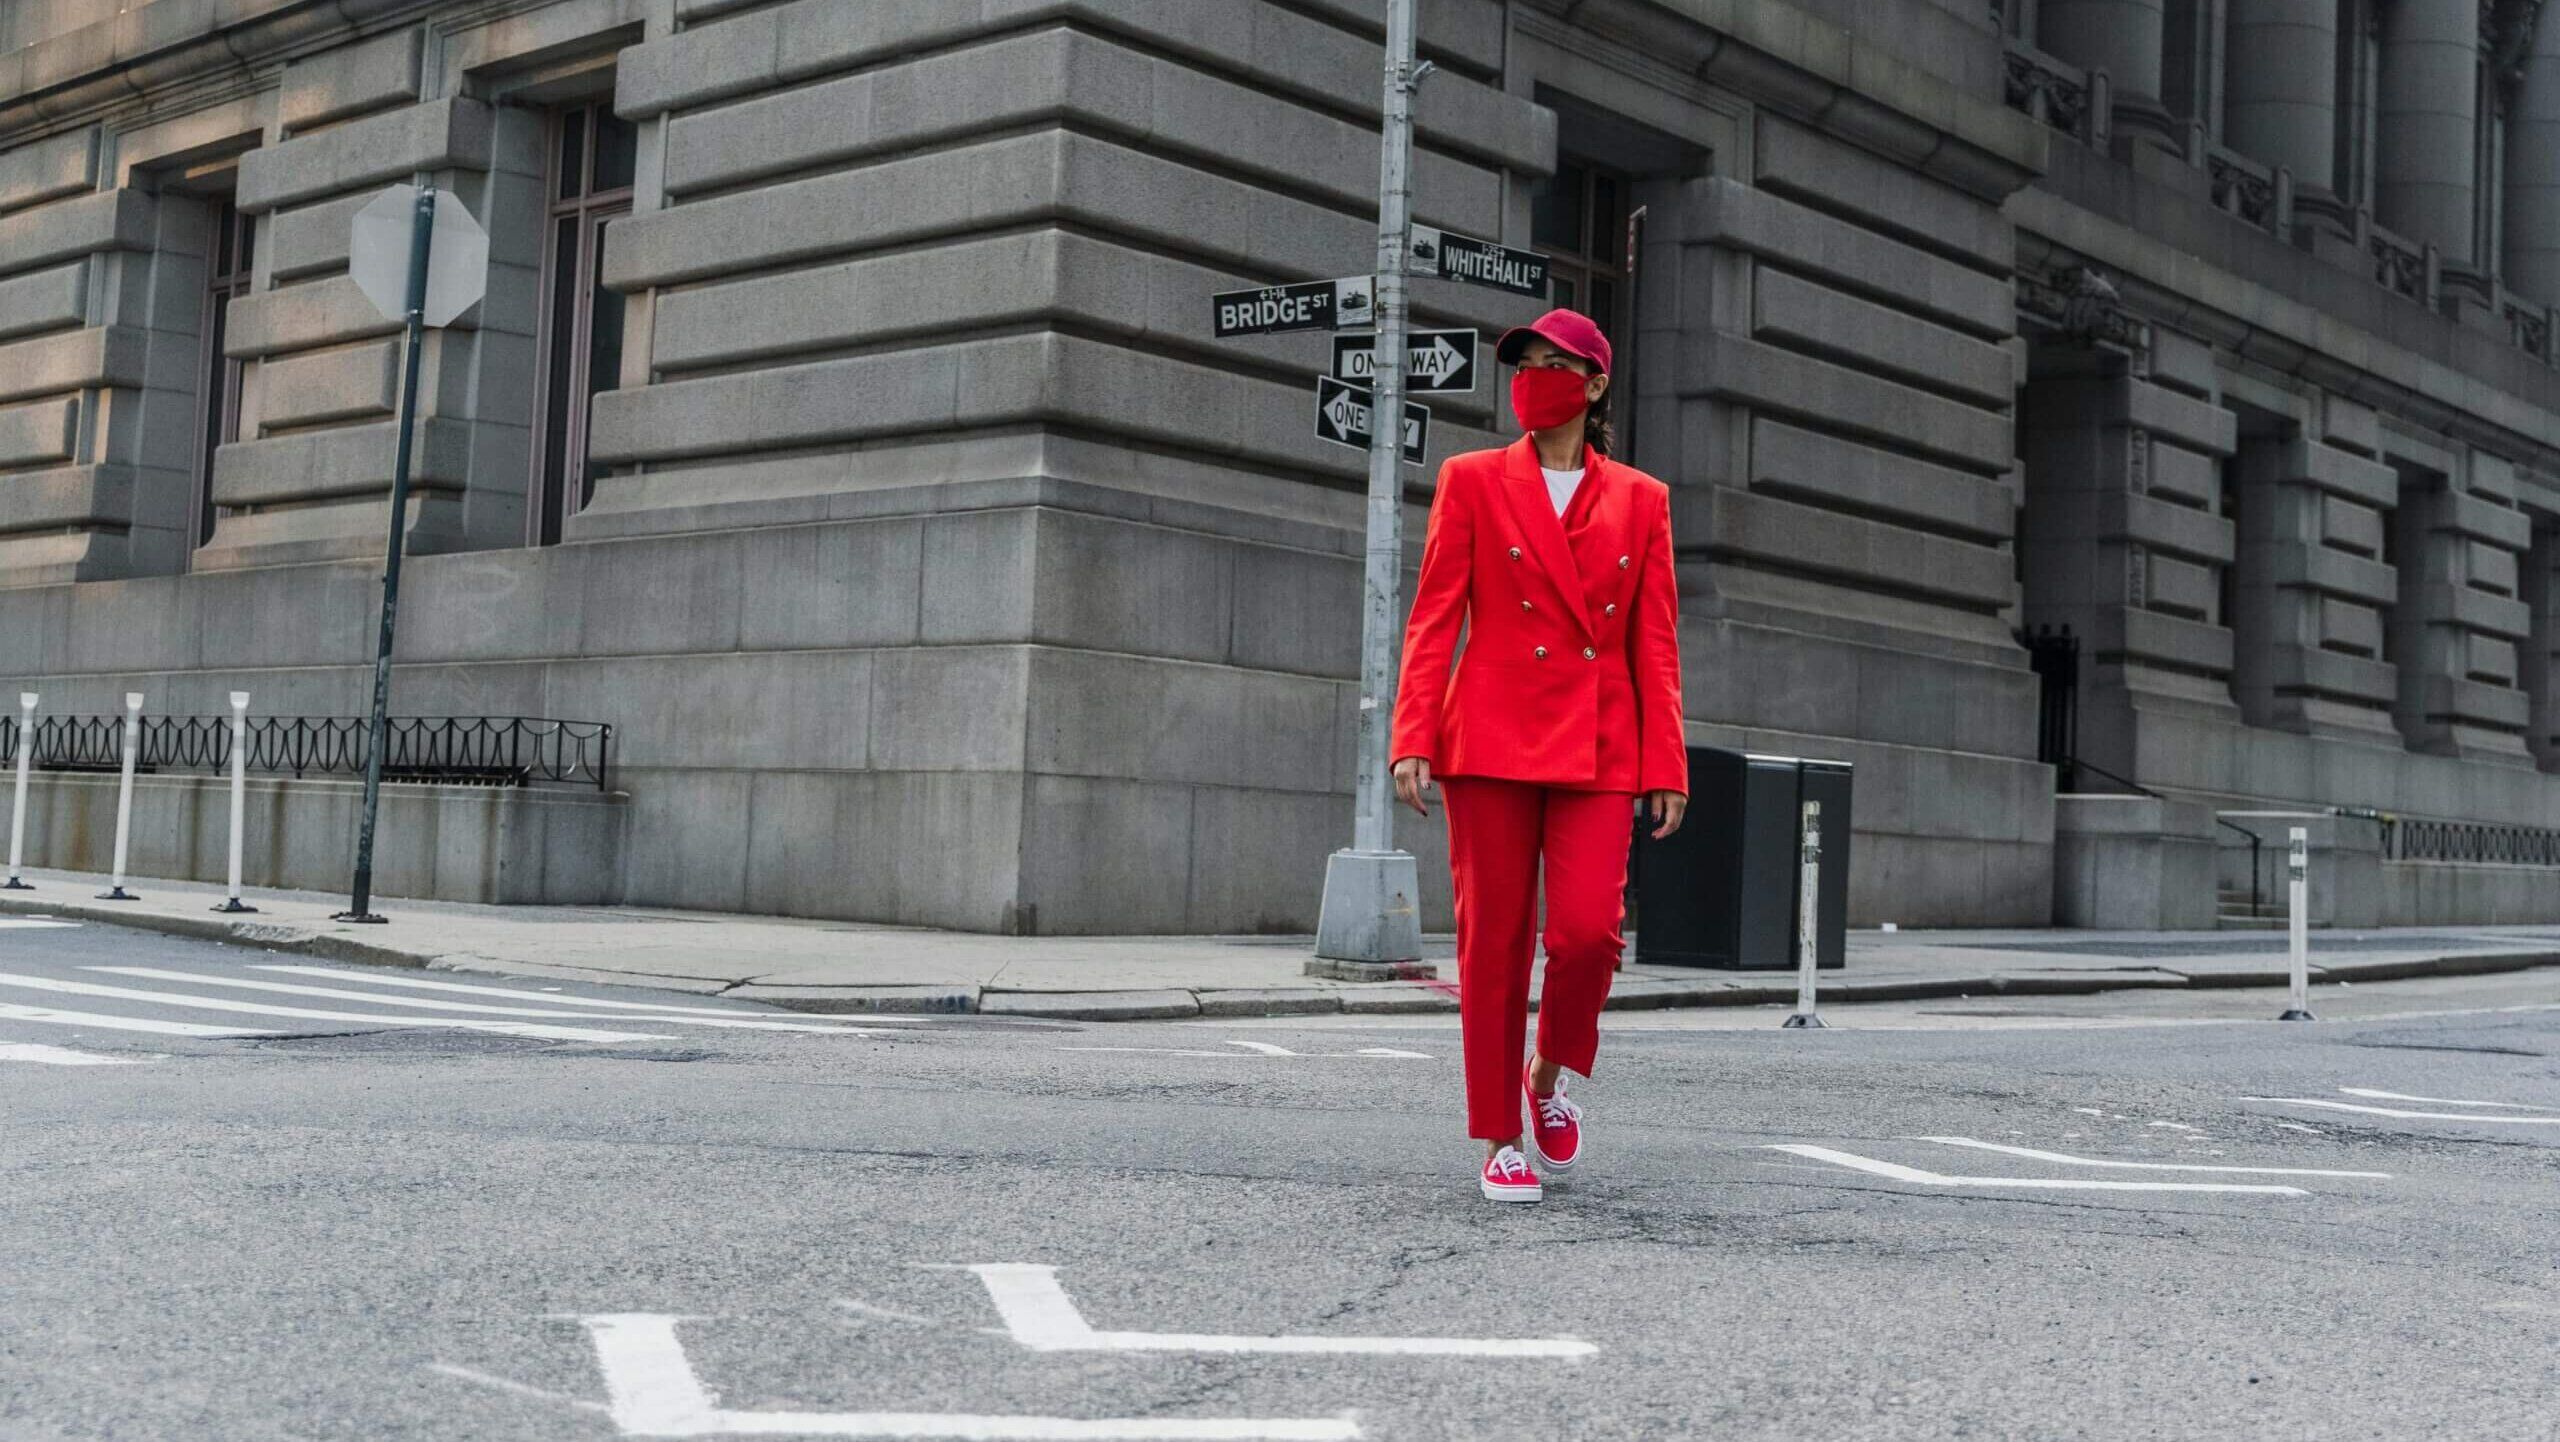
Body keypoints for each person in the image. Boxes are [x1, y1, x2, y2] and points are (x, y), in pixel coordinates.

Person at [1389, 307, 1688, 1204]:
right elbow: (1435, 612)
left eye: (1556, 365)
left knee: (1590, 933)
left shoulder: (1642, 499)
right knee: (1495, 944)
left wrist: (1667, 761)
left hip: (1600, 741)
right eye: (1525, 363)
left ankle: (1547, 1077)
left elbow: (1656, 642)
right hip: (1488, 736)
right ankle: (1496, 1134)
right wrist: (1413, 735)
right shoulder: (1472, 479)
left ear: (1594, 386)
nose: (1533, 377)